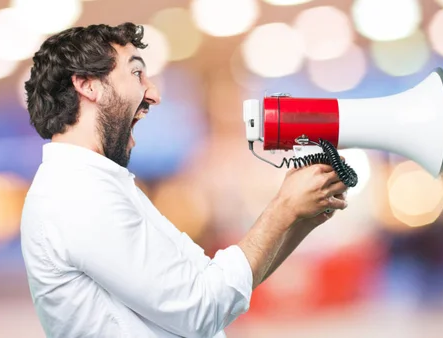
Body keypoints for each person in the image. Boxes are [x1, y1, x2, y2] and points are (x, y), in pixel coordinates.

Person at [20, 22, 349, 338]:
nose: (153, 93)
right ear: (88, 85)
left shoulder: (99, 186)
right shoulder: (77, 195)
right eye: (136, 73)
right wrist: (283, 210)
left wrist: (301, 219)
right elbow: (202, 307)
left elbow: (212, 284)